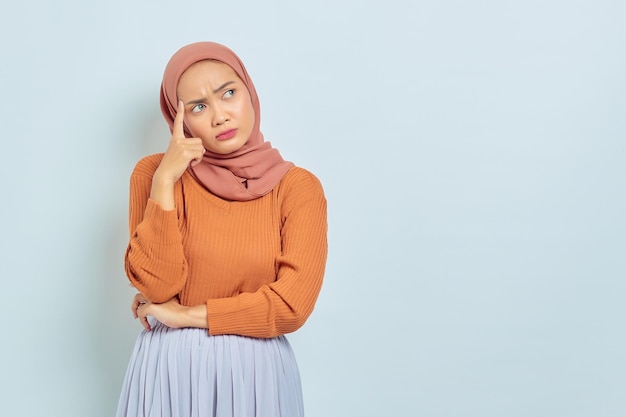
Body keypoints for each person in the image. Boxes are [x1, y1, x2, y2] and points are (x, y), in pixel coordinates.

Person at [115, 41, 328, 417]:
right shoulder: (153, 175)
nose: (219, 116)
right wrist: (165, 180)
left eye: (228, 93)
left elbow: (291, 307)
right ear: (177, 118)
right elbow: (158, 286)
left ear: (250, 93)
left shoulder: (297, 188)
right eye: (198, 106)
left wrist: (184, 315)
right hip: (168, 370)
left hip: (256, 374)